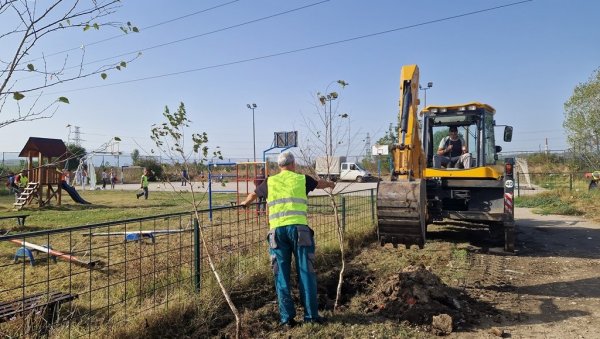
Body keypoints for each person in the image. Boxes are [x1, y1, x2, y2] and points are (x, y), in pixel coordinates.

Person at [240, 152, 335, 328]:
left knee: (281, 275)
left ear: (279, 166)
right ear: (293, 164)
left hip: (277, 233)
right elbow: (319, 184)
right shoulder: (301, 179)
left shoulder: (270, 181)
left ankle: (286, 319)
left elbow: (254, 194)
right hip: (299, 231)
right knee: (306, 272)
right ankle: (311, 316)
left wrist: (245, 203)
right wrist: (331, 184)